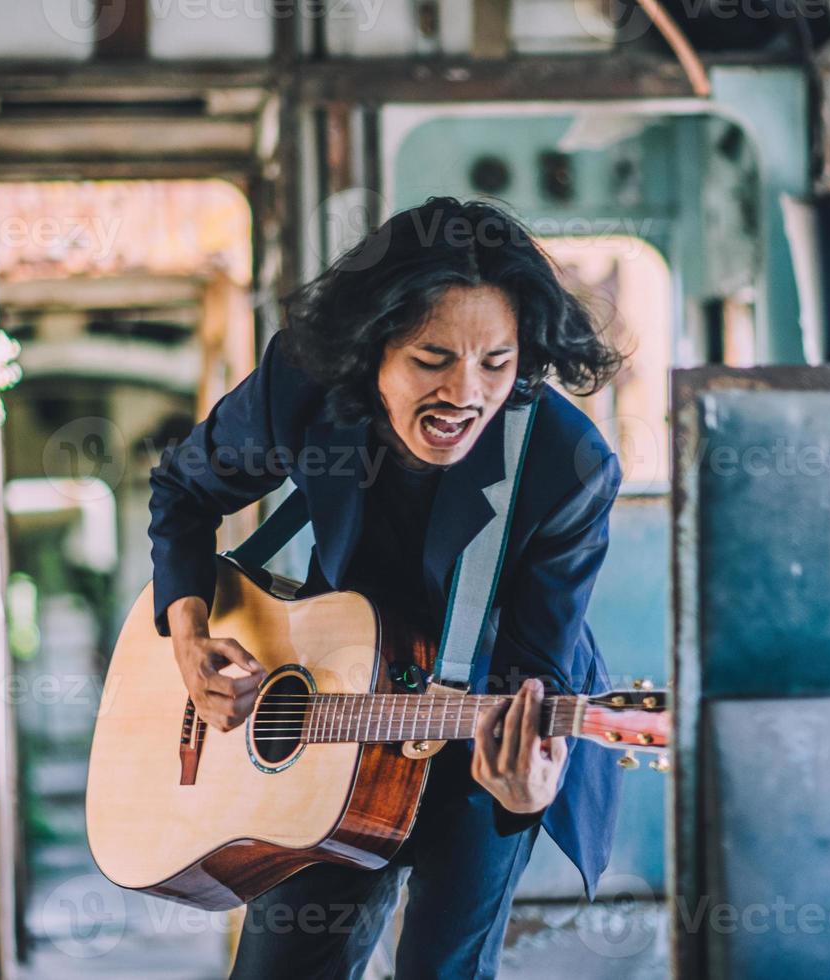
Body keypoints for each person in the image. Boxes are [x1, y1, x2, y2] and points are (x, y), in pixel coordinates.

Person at [148, 197, 626, 978]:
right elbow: (183, 493)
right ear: (371, 348)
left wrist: (527, 782)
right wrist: (191, 636)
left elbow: (540, 667)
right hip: (329, 711)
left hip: (485, 725)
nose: (467, 393)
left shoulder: (567, 469)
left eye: (496, 364)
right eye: (432, 360)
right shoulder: (300, 387)